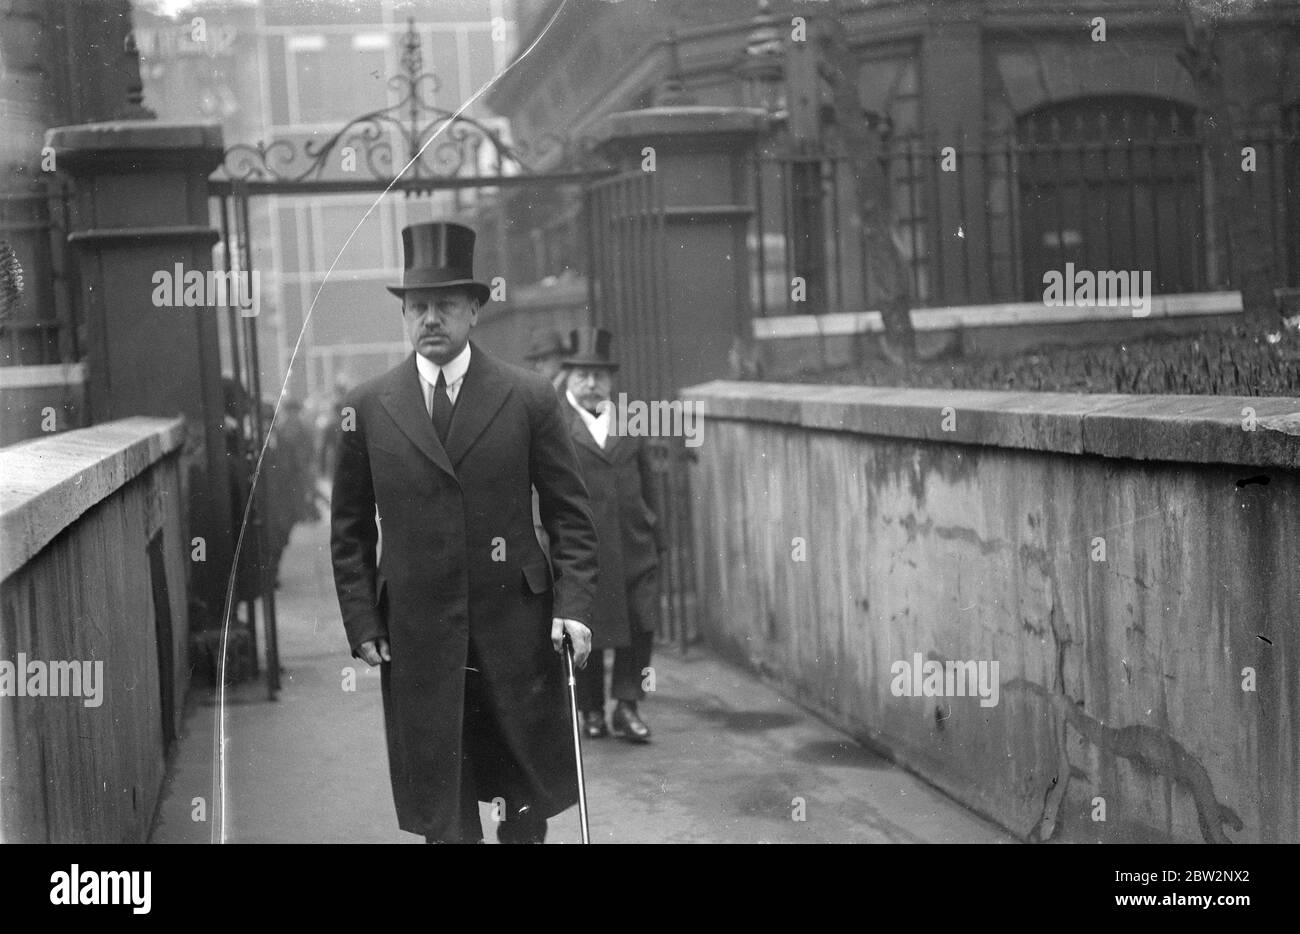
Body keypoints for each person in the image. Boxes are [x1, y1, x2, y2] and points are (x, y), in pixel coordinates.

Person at [330, 221, 599, 844]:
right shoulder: (368, 407)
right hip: (420, 635)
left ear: (475, 309)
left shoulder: (528, 397)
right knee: (445, 812)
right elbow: (347, 529)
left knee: (523, 801)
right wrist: (362, 621)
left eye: (446, 305)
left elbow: (570, 514)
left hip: (516, 630)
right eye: (417, 306)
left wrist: (576, 608)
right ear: (404, 313)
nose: (430, 319)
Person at [560, 327, 665, 743]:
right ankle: (590, 710)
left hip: (634, 544)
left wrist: (657, 535)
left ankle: (627, 706)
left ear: (610, 380)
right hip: (583, 550)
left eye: (599, 375)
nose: (591, 384)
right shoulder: (555, 425)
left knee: (639, 625)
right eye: (583, 374)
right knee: (586, 628)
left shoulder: (629, 421)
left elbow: (649, 484)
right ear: (568, 376)